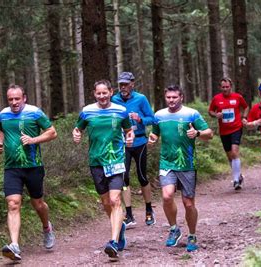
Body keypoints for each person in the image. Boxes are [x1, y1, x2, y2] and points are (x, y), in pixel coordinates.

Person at [72, 80, 134, 260]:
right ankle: (119, 228)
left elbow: (128, 130)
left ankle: (113, 242)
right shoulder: (87, 111)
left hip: (116, 160)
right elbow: (78, 129)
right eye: (98, 93)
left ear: (111, 92)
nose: (102, 96)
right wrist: (76, 135)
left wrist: (129, 138)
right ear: (94, 94)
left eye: (105, 93)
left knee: (115, 200)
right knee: (106, 202)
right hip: (96, 161)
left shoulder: (121, 111)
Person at [0, 84, 57, 261]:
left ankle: (46, 227)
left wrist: (33, 140)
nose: (14, 102)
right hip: (11, 167)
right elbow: (2, 129)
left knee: (38, 204)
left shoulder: (35, 113)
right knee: (13, 203)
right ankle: (14, 245)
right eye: (11, 99)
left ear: (24, 98)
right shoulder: (3, 114)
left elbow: (52, 132)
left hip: (33, 166)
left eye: (17, 99)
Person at [148, 85, 213, 252]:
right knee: (167, 196)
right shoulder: (159, 115)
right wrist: (153, 138)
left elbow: (209, 133)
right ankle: (174, 229)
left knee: (189, 203)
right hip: (167, 163)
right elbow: (156, 133)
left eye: (174, 97)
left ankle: (192, 234)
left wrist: (197, 133)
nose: (171, 100)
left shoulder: (191, 114)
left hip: (187, 164)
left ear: (181, 97)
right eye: (168, 97)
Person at [111, 72, 155, 227]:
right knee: (124, 178)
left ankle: (149, 210)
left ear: (132, 84)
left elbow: (152, 118)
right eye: (120, 84)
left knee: (142, 177)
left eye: (125, 84)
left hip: (139, 141)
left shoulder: (141, 99)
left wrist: (140, 119)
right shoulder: (114, 100)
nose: (123, 87)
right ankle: (129, 214)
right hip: (123, 144)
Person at [208, 77, 249, 190]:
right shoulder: (216, 99)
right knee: (230, 156)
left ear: (231, 87)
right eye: (223, 87)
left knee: (235, 152)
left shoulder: (237, 97)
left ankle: (236, 181)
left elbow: (246, 107)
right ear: (220, 87)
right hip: (224, 130)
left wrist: (244, 117)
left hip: (236, 128)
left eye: (227, 87)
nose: (225, 89)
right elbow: (210, 111)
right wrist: (216, 115)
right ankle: (239, 175)